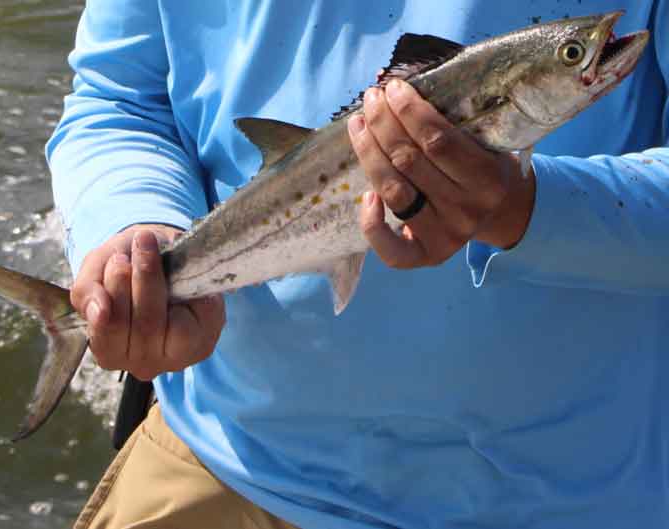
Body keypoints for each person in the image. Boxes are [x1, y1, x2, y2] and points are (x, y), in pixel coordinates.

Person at [47, 1, 669, 528]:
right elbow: (122, 99)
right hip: (228, 457)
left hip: (568, 498)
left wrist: (524, 207)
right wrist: (135, 233)